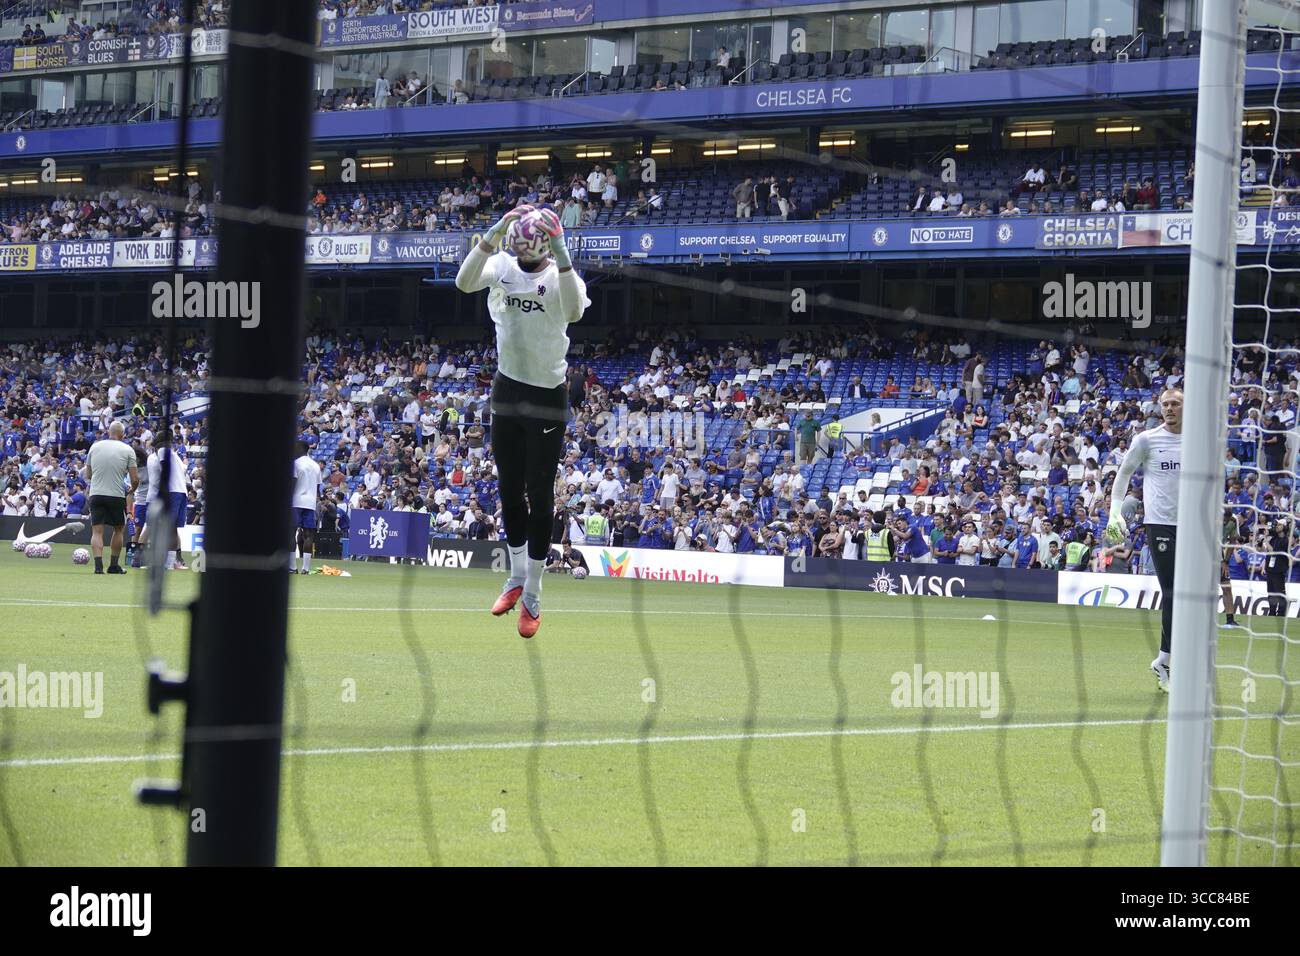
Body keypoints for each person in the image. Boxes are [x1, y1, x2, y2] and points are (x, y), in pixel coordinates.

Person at [455, 203, 591, 638]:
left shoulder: (559, 276)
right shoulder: (501, 264)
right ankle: (515, 578)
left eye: (533, 255)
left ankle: (533, 593)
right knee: (508, 489)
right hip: (507, 388)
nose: (526, 261)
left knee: (539, 492)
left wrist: (564, 251)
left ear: (547, 251)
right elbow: (463, 282)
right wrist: (494, 229)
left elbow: (574, 312)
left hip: (548, 394)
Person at [1105, 387, 1185, 693]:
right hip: (1160, 524)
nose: (1169, 408)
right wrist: (1115, 513)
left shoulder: (1199, 440)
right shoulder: (1147, 439)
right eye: (1165, 404)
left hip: (1192, 526)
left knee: (1194, 595)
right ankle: (1166, 660)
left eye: (1175, 403)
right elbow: (1123, 474)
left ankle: (1167, 659)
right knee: (1173, 591)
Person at [84, 420, 138, 574]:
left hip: (96, 494)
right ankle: (113, 565)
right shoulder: (128, 450)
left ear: (108, 432)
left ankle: (98, 567)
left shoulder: (95, 446)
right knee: (119, 529)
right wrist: (131, 490)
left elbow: (88, 474)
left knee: (97, 531)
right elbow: (134, 479)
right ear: (123, 434)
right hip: (116, 495)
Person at [147, 434, 190, 571]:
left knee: (166, 527)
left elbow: (164, 468)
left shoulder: (162, 451)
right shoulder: (175, 455)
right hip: (182, 492)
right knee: (173, 529)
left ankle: (165, 562)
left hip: (172, 491)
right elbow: (184, 469)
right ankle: (170, 563)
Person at [291, 441, 322, 574]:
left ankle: (292, 567)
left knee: (290, 534)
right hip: (310, 504)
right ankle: (306, 568)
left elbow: (292, 483)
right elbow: (318, 487)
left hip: (296, 502)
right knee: (308, 535)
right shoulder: (316, 466)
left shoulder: (295, 463)